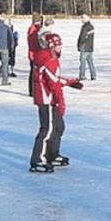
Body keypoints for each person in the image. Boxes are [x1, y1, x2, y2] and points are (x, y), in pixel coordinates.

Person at [29, 32, 82, 172]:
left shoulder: (52, 58)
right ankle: (37, 160)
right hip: (46, 99)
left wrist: (71, 83)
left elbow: (55, 79)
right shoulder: (48, 60)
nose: (60, 49)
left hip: (51, 97)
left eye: (60, 46)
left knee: (59, 127)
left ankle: (52, 154)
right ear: (51, 46)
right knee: (47, 129)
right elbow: (53, 83)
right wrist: (60, 102)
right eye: (57, 46)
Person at [26, 14, 43, 97]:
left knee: (33, 72)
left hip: (33, 54)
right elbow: (36, 43)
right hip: (35, 54)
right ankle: (33, 91)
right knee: (34, 73)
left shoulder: (31, 28)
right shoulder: (35, 29)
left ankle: (32, 90)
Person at [76, 14, 96, 82]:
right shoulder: (91, 26)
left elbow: (82, 37)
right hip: (90, 47)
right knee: (90, 62)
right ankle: (93, 75)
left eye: (82, 19)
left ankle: (82, 76)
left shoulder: (85, 27)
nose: (81, 20)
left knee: (83, 63)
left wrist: (79, 45)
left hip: (84, 48)